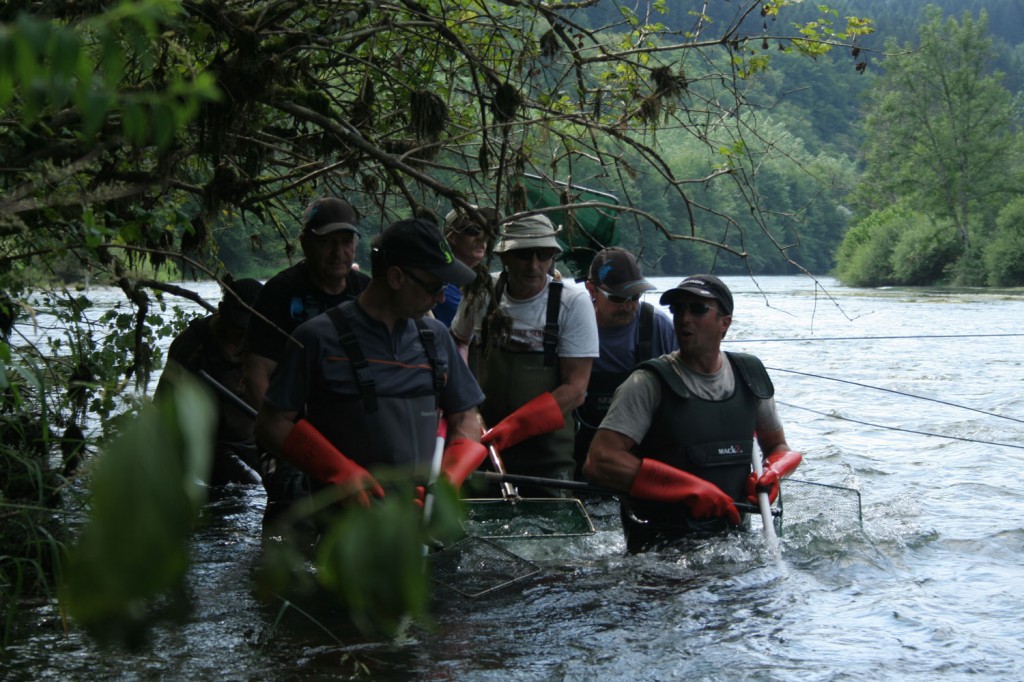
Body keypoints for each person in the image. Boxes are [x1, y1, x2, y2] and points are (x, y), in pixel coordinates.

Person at [255, 218, 488, 531]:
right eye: (434, 287)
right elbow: (272, 423)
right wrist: (339, 473)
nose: (441, 299)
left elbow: (467, 417)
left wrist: (448, 479)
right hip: (345, 533)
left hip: (423, 525)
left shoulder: (436, 336)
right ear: (395, 277)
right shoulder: (316, 339)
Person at [583, 275, 803, 553]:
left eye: (698, 309)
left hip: (735, 546)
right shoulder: (647, 383)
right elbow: (599, 461)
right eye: (678, 309)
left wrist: (773, 474)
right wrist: (688, 489)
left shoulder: (750, 376)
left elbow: (777, 446)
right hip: (661, 552)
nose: (684, 318)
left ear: (725, 323)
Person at [242, 197, 372, 524]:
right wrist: (280, 437)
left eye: (346, 242)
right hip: (292, 426)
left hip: (351, 426)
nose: (338, 252)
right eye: (327, 243)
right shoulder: (280, 293)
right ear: (305, 243)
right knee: (292, 504)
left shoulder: (366, 291)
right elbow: (257, 373)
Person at [451, 213, 599, 495]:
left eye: (543, 255)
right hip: (483, 449)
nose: (534, 266)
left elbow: (576, 389)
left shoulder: (572, 302)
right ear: (504, 257)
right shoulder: (482, 292)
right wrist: (464, 407)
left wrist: (514, 428)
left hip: (548, 458)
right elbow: (456, 343)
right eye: (523, 256)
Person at [573, 248, 677, 477]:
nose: (629, 306)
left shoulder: (657, 326)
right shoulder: (572, 324)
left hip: (638, 455)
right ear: (592, 289)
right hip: (578, 450)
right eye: (618, 298)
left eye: (635, 297)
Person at [157, 278, 264, 486]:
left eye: (250, 331)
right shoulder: (191, 347)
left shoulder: (267, 342)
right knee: (251, 483)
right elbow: (163, 408)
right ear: (222, 311)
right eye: (237, 328)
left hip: (253, 443)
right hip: (207, 446)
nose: (242, 338)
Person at [432, 204, 499, 327]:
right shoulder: (441, 284)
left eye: (486, 230)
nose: (482, 237)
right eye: (473, 230)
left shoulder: (481, 282)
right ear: (451, 236)